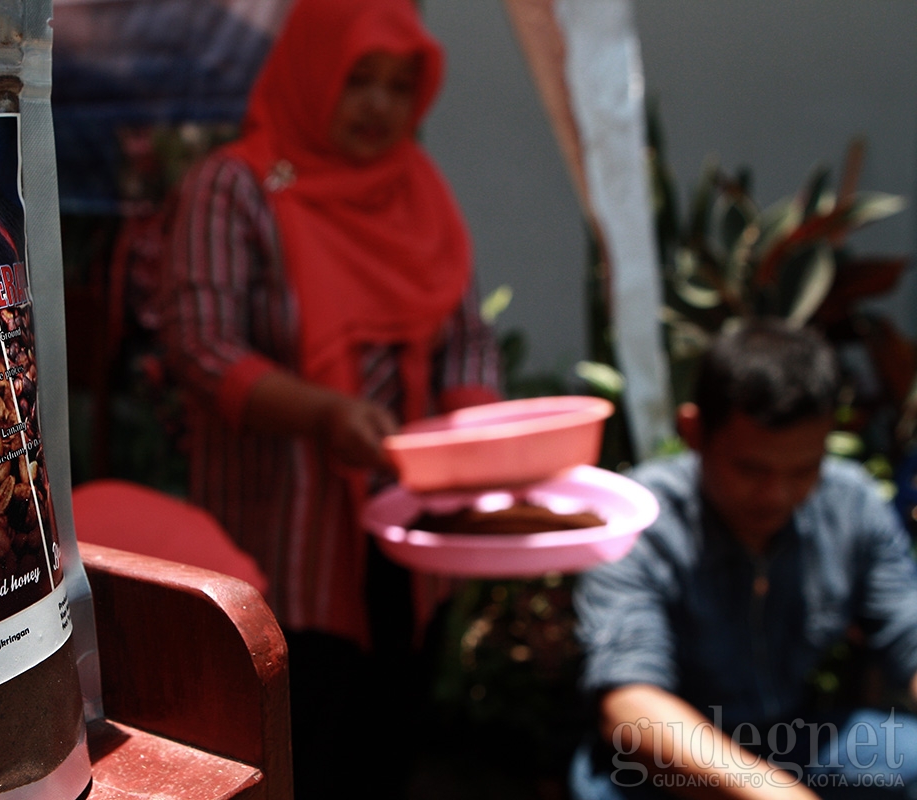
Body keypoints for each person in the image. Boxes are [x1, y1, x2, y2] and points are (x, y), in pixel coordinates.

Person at [157, 0, 500, 796]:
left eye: (398, 85)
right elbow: (202, 349)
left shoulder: (416, 188)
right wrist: (323, 415)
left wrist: (476, 432)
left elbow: (466, 334)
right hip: (288, 541)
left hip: (413, 530)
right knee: (299, 749)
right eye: (358, 81)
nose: (380, 106)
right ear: (310, 73)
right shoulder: (235, 188)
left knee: (389, 738)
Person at [570, 319, 917, 799]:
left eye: (803, 470)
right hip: (663, 761)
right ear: (694, 431)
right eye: (751, 469)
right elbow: (630, 709)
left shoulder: (851, 503)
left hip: (793, 742)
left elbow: (908, 631)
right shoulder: (638, 523)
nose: (777, 495)